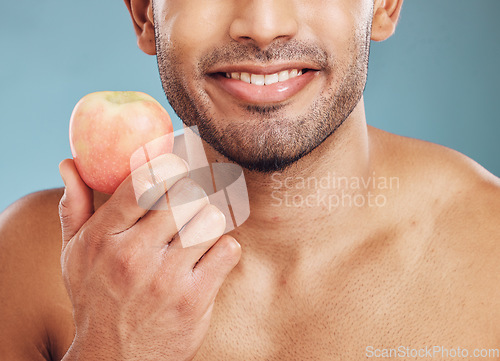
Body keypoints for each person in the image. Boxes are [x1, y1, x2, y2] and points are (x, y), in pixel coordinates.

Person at [1, 0, 499, 360]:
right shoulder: (30, 263)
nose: (263, 25)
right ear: (144, 13)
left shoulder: (490, 256)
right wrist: (106, 351)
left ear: (385, 6)